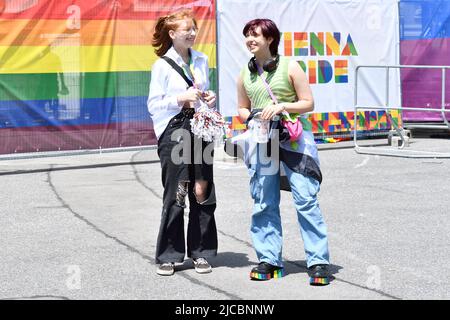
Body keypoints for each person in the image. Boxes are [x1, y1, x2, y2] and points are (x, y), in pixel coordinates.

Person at [236, 18, 331, 285]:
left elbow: (308, 102)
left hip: (294, 142)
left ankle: (318, 262)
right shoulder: (245, 74)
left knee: (306, 199)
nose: (250, 40)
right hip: (263, 141)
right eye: (247, 35)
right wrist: (252, 117)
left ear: (270, 39)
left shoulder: (290, 66)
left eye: (255, 35)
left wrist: (281, 107)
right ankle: (269, 260)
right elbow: (242, 107)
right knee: (264, 200)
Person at [147, 9, 218, 276]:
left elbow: (202, 94)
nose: (191, 33)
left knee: (202, 189)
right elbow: (154, 105)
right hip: (175, 129)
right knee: (178, 190)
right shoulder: (162, 65)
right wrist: (181, 98)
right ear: (172, 33)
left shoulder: (201, 59)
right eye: (185, 29)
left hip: (201, 127)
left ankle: (201, 252)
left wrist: (208, 97)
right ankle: (169, 254)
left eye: (193, 28)